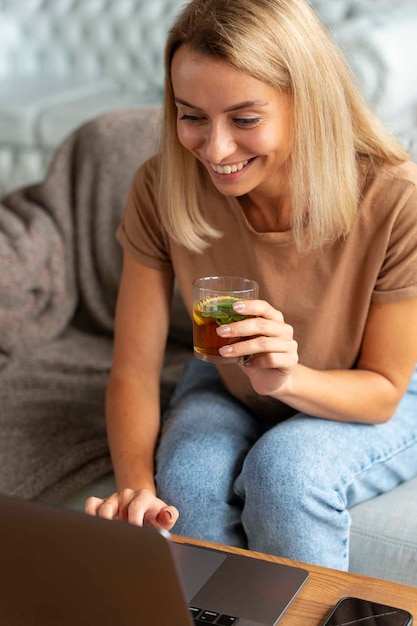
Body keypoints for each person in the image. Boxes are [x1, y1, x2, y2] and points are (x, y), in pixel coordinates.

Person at [85, 0, 417, 571]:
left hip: (372, 390)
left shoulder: (395, 199)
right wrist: (136, 489)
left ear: (305, 101)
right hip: (229, 380)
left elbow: (384, 388)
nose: (215, 151)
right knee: (184, 486)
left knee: (285, 474)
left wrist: (287, 378)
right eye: (192, 117)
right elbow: (134, 370)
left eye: (244, 120)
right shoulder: (162, 187)